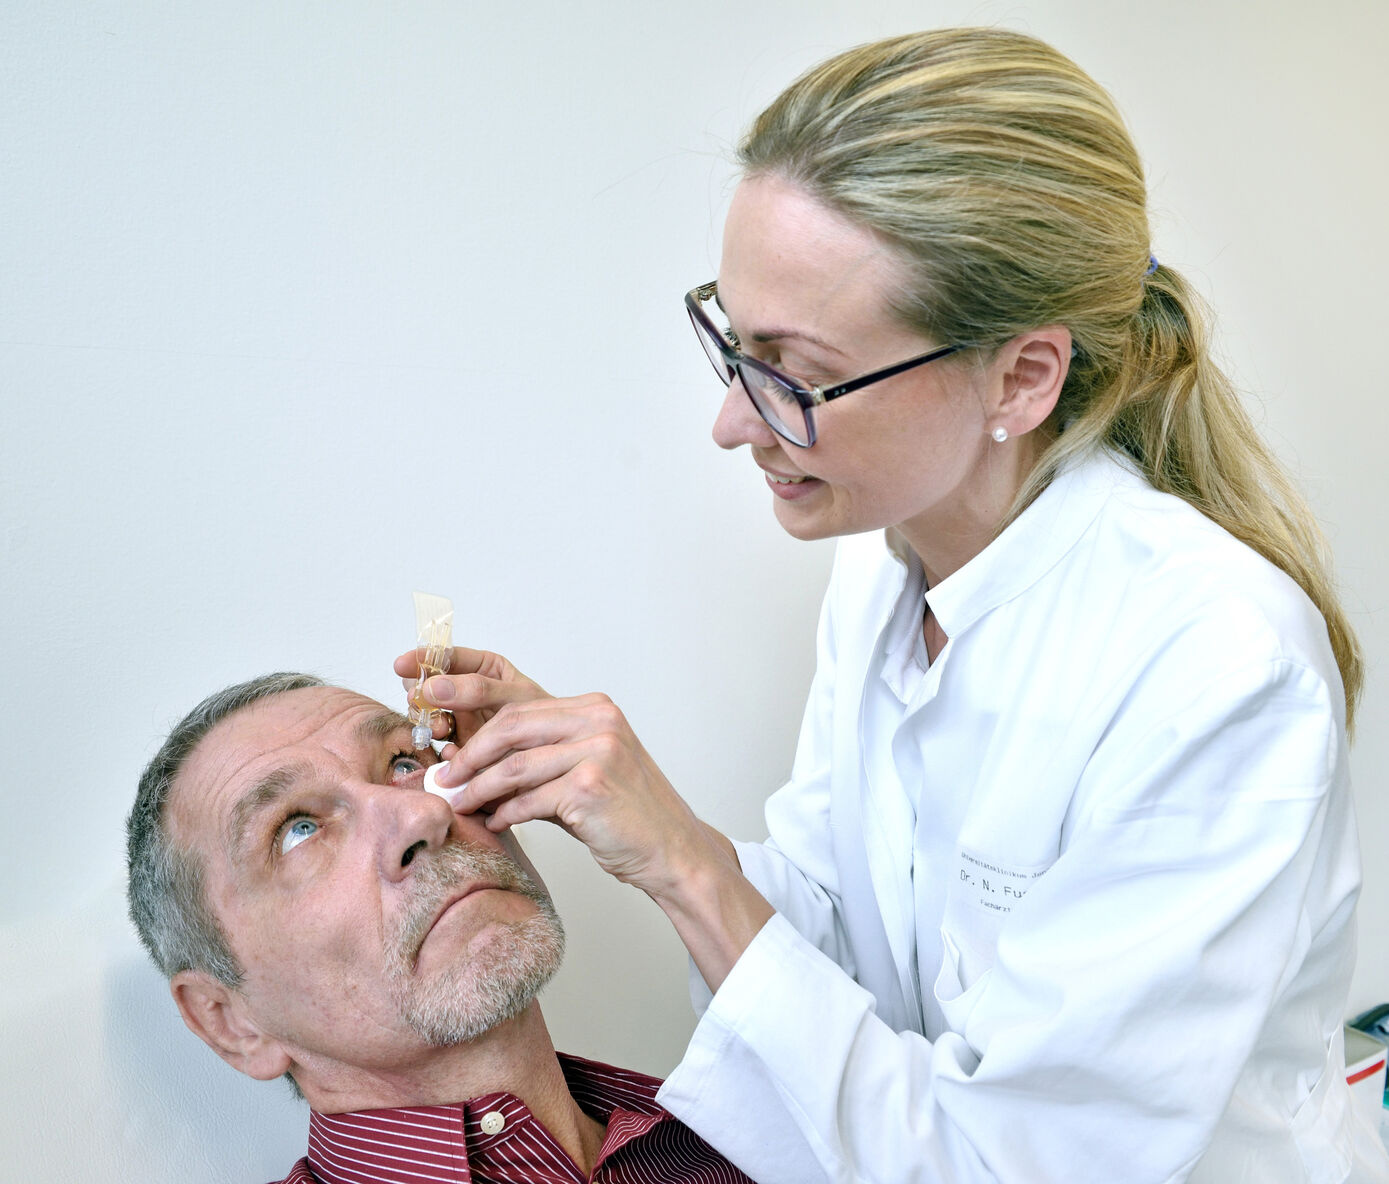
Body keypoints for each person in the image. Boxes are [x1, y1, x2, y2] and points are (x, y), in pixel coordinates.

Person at [402, 26, 1389, 1184]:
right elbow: (844, 940)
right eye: (732, 339)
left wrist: (685, 864)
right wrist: (618, 805)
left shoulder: (1216, 662)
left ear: (1021, 376)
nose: (733, 421)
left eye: (796, 371)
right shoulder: (885, 564)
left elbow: (1018, 1163)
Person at [124, 672, 756, 1184]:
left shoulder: (751, 1130)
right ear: (231, 1022)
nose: (423, 811)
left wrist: (686, 862)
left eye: (404, 760)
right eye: (298, 829)